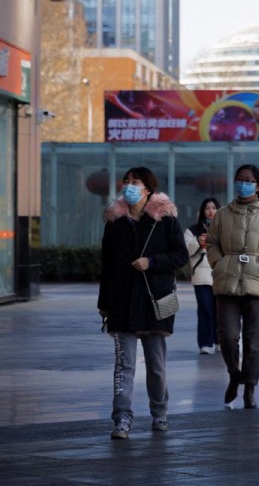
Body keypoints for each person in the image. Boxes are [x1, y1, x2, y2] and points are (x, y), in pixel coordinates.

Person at [97, 167, 188, 440]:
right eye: (126, 182)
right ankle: (122, 419)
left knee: (155, 364)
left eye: (135, 182)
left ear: (148, 188)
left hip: (154, 301)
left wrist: (152, 262)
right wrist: (104, 302)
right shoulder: (115, 222)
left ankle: (159, 412)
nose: (129, 187)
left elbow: (180, 256)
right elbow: (107, 266)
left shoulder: (165, 220)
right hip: (121, 302)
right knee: (123, 365)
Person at [206, 164, 259, 409]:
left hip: (258, 287)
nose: (244, 183)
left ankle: (250, 387)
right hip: (227, 284)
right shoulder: (222, 214)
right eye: (240, 179)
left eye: (249, 180)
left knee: (253, 340)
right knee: (228, 337)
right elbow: (211, 243)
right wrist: (220, 263)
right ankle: (234, 374)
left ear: (258, 186)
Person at [185, 197, 220, 355]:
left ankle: (219, 341)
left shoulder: (224, 229)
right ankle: (205, 343)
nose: (211, 211)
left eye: (214, 208)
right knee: (205, 309)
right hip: (201, 275)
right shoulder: (192, 231)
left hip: (221, 275)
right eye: (207, 208)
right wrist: (198, 243)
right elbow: (185, 251)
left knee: (221, 310)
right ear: (202, 211)